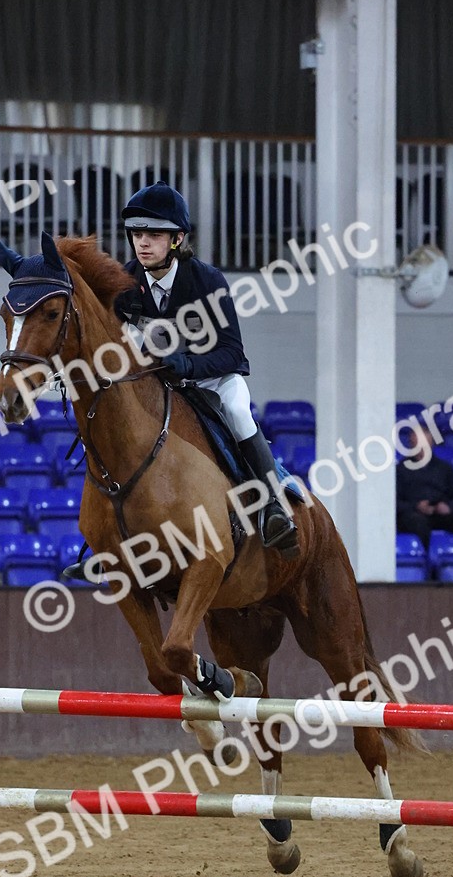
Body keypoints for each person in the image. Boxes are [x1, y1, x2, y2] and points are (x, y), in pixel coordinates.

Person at [63, 181, 298, 581]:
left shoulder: (207, 282)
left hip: (212, 381)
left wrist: (187, 365)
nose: (143, 243)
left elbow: (233, 355)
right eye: (137, 234)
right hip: (161, 388)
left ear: (177, 239)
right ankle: (107, 544)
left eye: (154, 235)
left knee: (241, 412)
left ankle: (273, 506)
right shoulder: (124, 284)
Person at [396, 427, 453, 547]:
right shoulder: (400, 470)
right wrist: (416, 506)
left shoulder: (445, 468)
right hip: (413, 516)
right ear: (411, 444)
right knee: (417, 524)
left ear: (431, 444)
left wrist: (448, 507)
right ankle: (427, 560)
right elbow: (395, 503)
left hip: (439, 514)